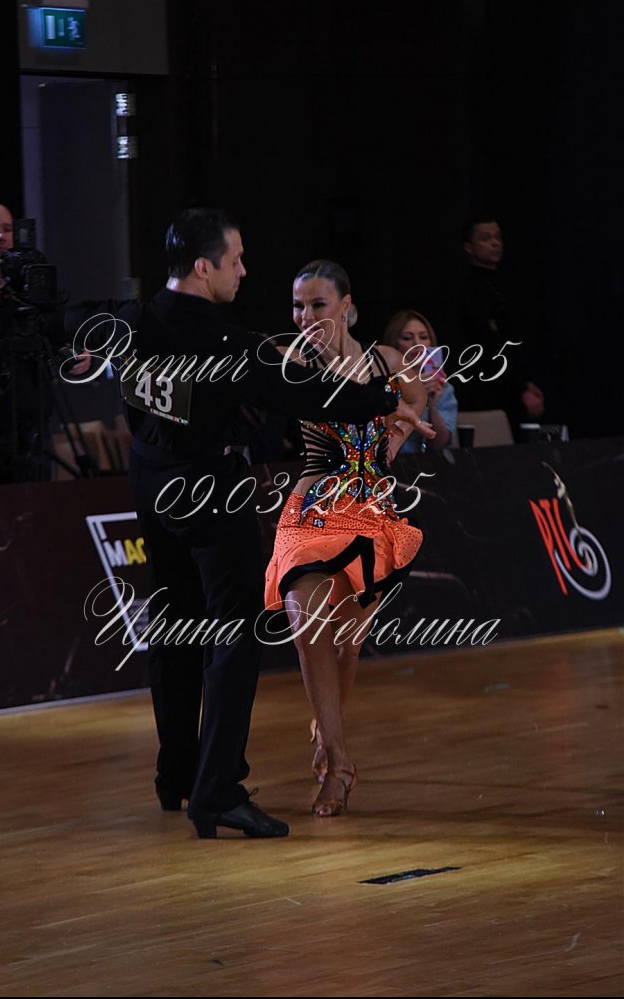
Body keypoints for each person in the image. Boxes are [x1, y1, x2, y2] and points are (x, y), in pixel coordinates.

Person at [96, 210, 430, 839]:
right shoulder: (244, 345)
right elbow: (304, 394)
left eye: (317, 304)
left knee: (189, 630)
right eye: (236, 261)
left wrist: (398, 418)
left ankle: (187, 772)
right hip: (243, 494)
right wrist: (381, 401)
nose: (245, 272)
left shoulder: (133, 319)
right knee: (254, 630)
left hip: (164, 484)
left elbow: (79, 331)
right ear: (205, 267)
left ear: (348, 306)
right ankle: (238, 785)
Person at [264, 260, 435, 818]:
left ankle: (326, 732)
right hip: (314, 508)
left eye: (317, 304)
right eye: (298, 306)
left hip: (371, 512)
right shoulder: (293, 362)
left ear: (346, 306)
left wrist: (398, 436)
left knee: (347, 644)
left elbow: (418, 396)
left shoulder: (386, 361)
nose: (305, 316)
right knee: (306, 621)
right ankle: (338, 764)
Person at [0, 202, 90, 486]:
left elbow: (61, 343)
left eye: (8, 229)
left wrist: (78, 356)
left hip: (32, 437)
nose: (0, 237)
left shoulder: (34, 297)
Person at [457, 216, 545, 430]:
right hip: (488, 388)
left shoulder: (506, 283)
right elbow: (490, 346)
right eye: (486, 238)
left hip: (513, 383)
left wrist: (526, 382)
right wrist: (520, 387)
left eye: (497, 237)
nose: (495, 243)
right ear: (469, 247)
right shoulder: (471, 290)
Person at [382, 309, 457, 452]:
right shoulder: (382, 385)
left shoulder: (442, 387)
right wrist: (414, 396)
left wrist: (432, 404)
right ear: (394, 343)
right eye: (407, 338)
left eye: (423, 337)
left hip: (429, 462)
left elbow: (440, 444)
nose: (417, 343)